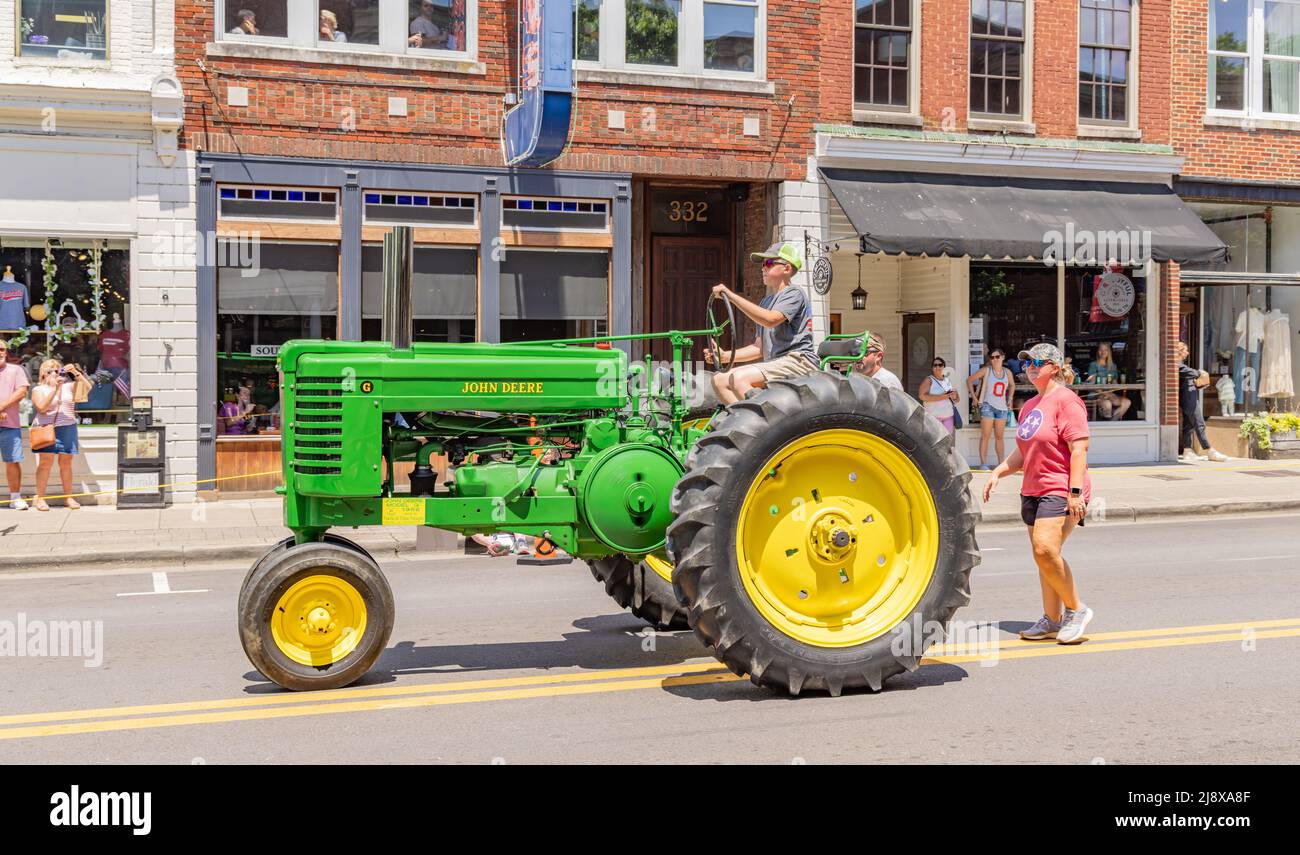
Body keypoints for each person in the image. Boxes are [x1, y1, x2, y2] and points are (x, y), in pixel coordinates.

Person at [983, 343, 1094, 645]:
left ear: (1055, 367)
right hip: (1032, 488)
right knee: (1044, 557)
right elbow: (1023, 452)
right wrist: (998, 472)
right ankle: (1051, 619)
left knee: (1045, 550)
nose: (1030, 367)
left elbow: (1079, 449)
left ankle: (1076, 610)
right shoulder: (1031, 405)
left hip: (1059, 487)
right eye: (1027, 362)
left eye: (1038, 362)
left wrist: (1074, 493)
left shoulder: (1067, 401)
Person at [705, 242, 817, 406]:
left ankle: (766, 425)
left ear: (786, 269)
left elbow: (770, 320)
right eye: (763, 264)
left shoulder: (794, 293)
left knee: (738, 379)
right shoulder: (766, 302)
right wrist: (725, 356)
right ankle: (742, 424)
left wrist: (731, 296)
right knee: (719, 380)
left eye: (769, 263)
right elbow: (759, 348)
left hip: (798, 361)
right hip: (776, 363)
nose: (763, 268)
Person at [30, 359, 90, 512]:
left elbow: (88, 388)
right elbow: (42, 408)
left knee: (66, 464)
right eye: (50, 371)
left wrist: (75, 372)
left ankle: (68, 497)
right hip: (46, 428)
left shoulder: (69, 387)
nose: (54, 374)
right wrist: (55, 390)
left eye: (57, 370)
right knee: (45, 464)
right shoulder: (38, 389)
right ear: (43, 374)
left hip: (67, 427)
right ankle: (41, 498)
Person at [1176, 341, 1228, 463]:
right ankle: (1210, 450)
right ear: (1179, 351)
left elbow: (1190, 377)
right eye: (1185, 350)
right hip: (1188, 399)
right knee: (1199, 424)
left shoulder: (1182, 365)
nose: (1187, 353)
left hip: (1190, 396)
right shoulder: (1177, 365)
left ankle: (1187, 450)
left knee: (1188, 425)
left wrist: (1198, 382)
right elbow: (1193, 373)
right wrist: (1200, 373)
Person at [968, 349, 1014, 469]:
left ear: (1003, 357)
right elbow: (969, 380)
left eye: (997, 357)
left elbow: (1012, 385)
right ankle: (983, 463)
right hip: (987, 406)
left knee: (999, 437)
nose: (995, 359)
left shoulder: (1007, 372)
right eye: (992, 357)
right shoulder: (986, 370)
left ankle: (1001, 463)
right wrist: (974, 397)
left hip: (1002, 408)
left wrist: (1010, 398)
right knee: (986, 435)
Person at [0, 339, 30, 510]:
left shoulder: (15, 370)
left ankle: (15, 497)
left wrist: (2, 406)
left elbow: (21, 391)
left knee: (12, 460)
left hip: (9, 424)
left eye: (1, 349)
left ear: (6, 351)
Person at [1087, 342, 1131, 421]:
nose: (1103, 352)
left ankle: (1112, 422)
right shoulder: (1093, 365)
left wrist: (1114, 389)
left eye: (1106, 350)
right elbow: (1092, 384)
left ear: (1109, 352)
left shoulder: (1113, 366)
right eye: (1101, 350)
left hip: (1110, 393)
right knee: (1107, 404)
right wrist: (1105, 393)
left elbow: (1114, 383)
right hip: (1096, 393)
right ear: (1098, 351)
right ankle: (1107, 424)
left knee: (1127, 402)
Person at [918, 356, 958, 434]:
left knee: (947, 441)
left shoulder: (948, 380)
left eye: (940, 365)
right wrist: (943, 397)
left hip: (948, 417)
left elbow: (957, 399)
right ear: (932, 368)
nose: (937, 367)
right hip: (934, 417)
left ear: (944, 367)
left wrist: (954, 396)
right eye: (935, 365)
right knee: (934, 442)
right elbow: (922, 396)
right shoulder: (929, 380)